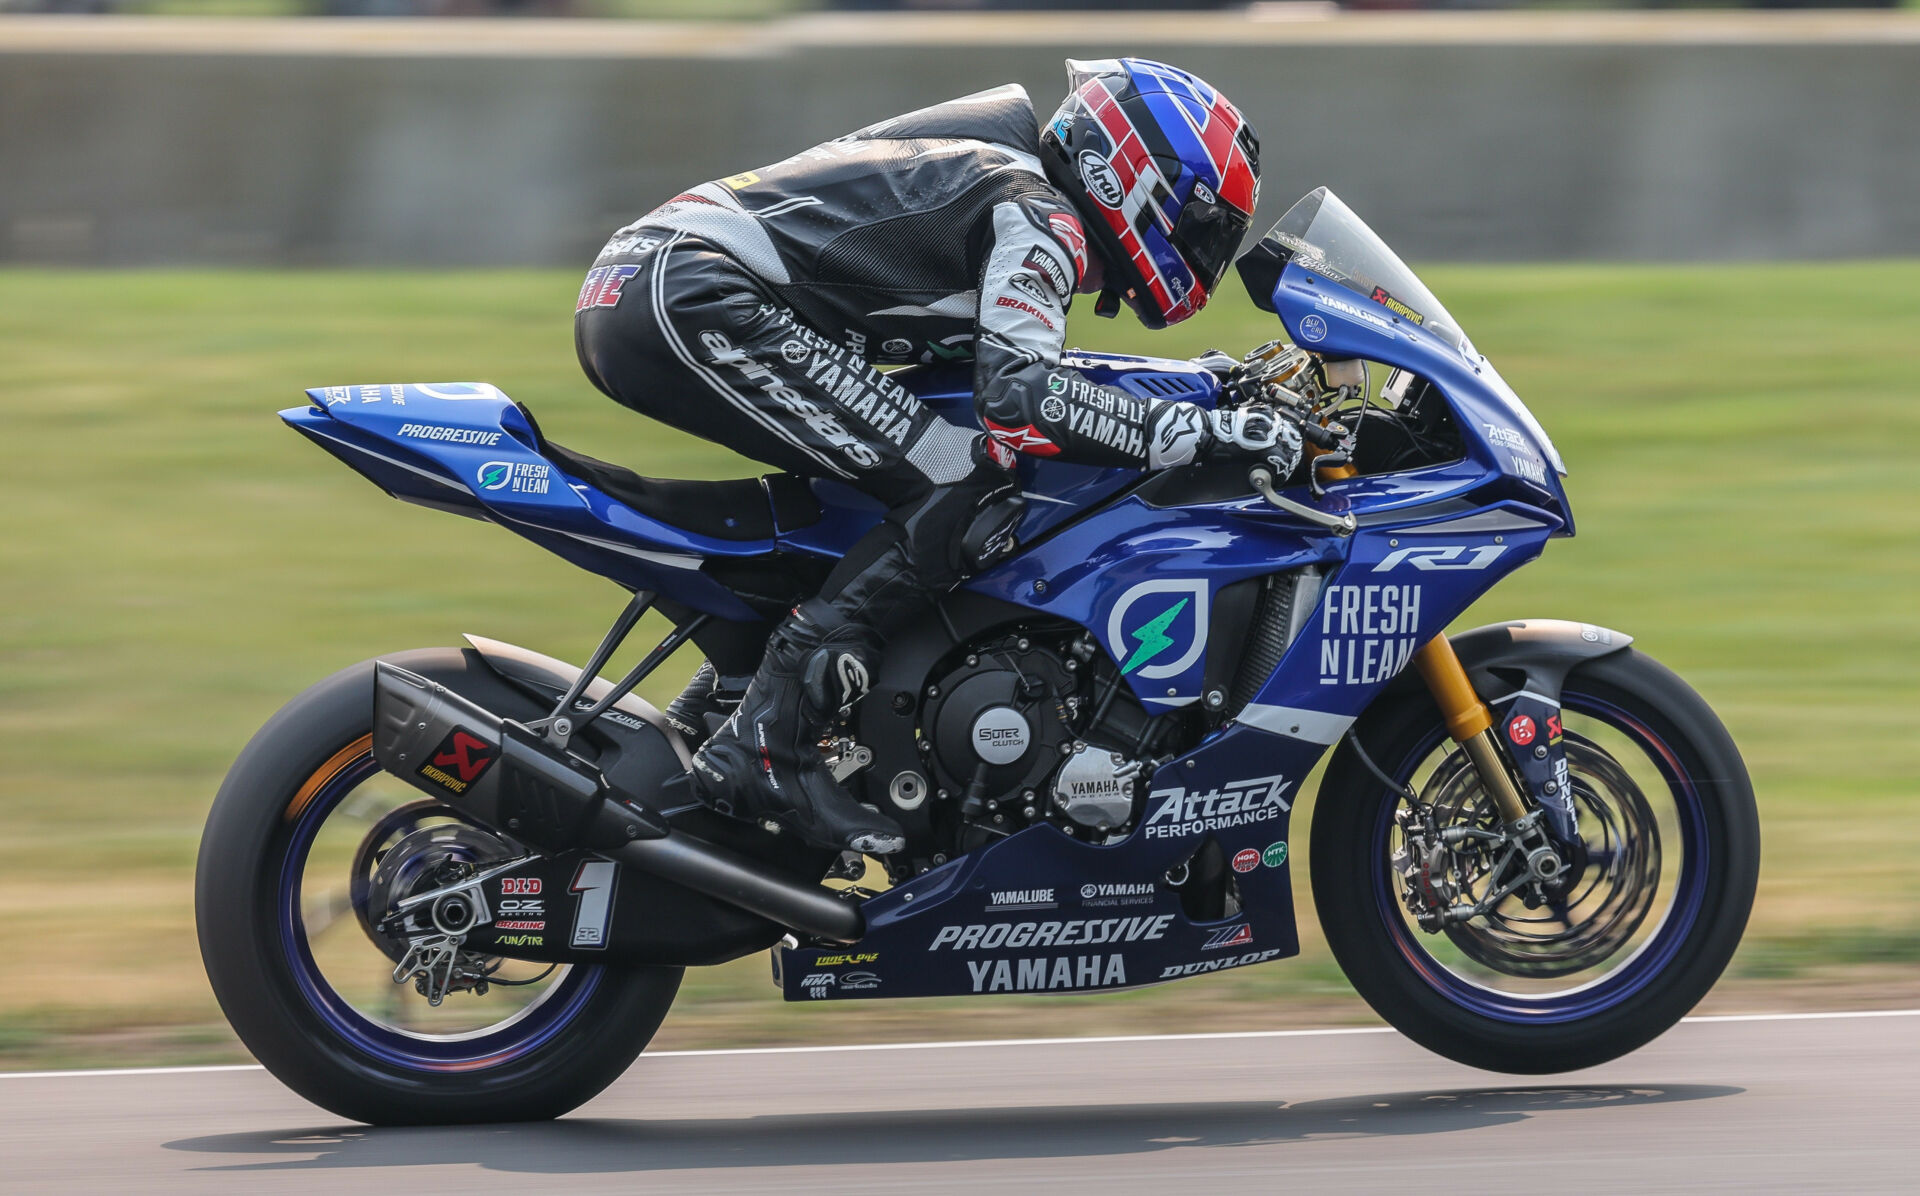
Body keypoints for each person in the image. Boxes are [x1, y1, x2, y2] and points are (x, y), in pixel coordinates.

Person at [573, 58, 1301, 857]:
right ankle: (766, 744)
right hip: (691, 290)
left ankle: (752, 699)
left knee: (923, 475)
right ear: (1130, 175)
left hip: (668, 281)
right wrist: (1210, 434)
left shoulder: (1016, 190)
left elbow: (1018, 375)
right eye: (1201, 227)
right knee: (967, 475)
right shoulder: (1040, 213)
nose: (1204, 252)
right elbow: (1021, 400)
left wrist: (1209, 386)